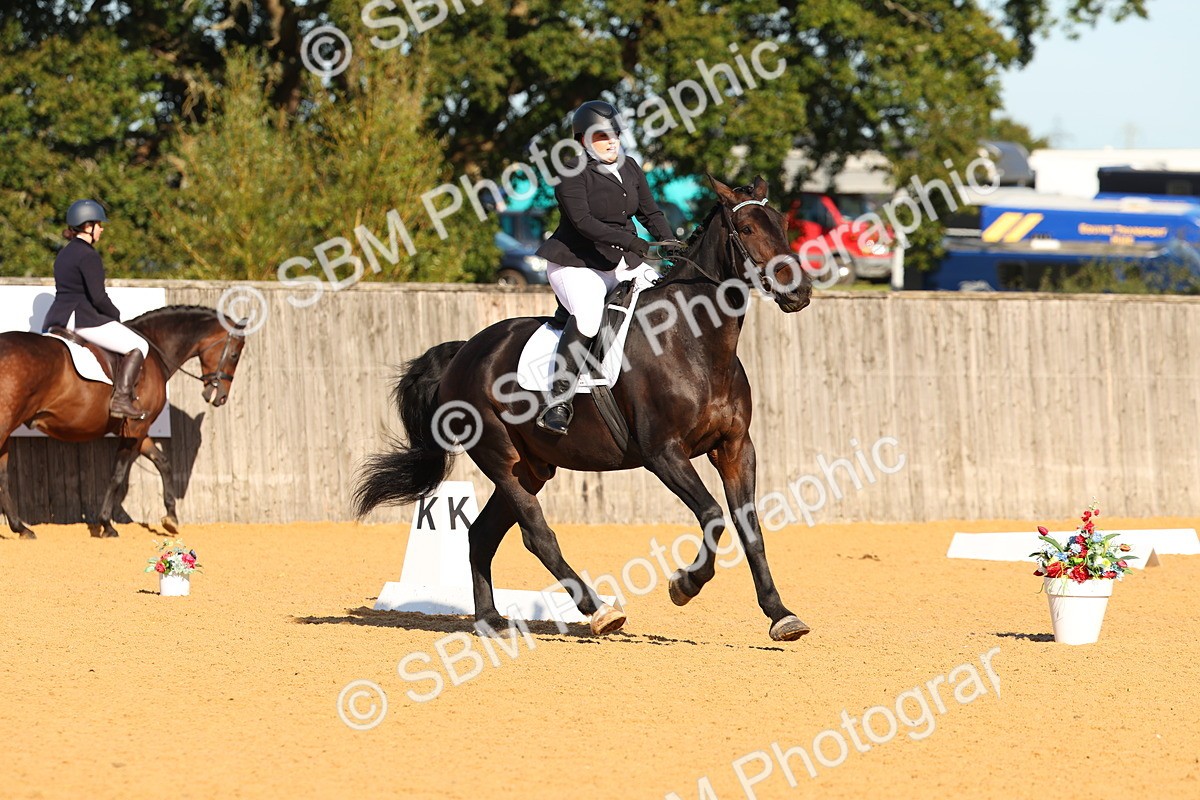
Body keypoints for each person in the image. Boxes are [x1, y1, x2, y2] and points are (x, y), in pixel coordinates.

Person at [534, 100, 681, 435]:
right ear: (584, 140)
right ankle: (558, 400)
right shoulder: (570, 173)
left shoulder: (630, 168)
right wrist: (631, 242)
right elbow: (584, 223)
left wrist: (670, 243)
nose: (612, 140)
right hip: (577, 263)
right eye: (602, 135)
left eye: (615, 133)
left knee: (665, 300)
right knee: (588, 317)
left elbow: (650, 212)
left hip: (622, 263)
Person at [42, 199, 150, 419]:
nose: (101, 229)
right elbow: (98, 297)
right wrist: (115, 316)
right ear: (87, 226)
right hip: (80, 318)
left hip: (56, 318)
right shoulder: (88, 255)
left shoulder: (63, 254)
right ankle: (121, 399)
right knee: (139, 345)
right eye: (99, 225)